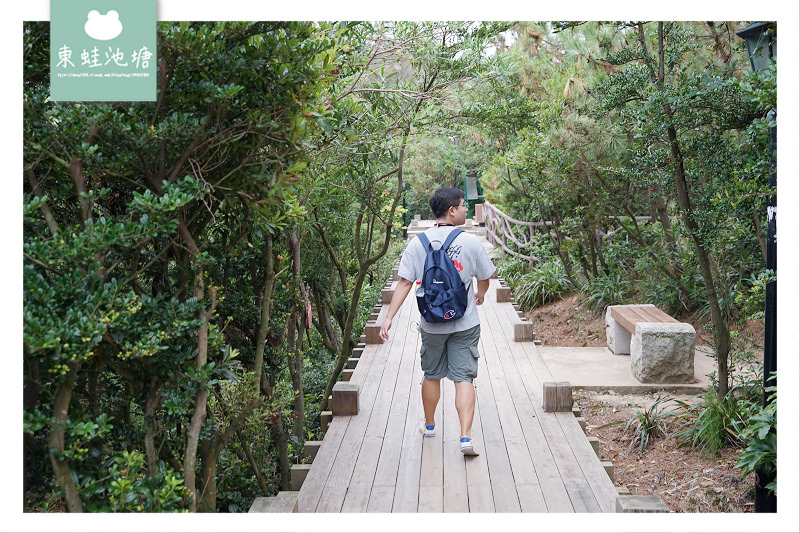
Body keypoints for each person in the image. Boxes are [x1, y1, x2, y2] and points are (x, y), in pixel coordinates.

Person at [379, 187, 495, 455]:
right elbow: (485, 277)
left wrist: (388, 318)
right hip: (465, 323)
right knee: (463, 377)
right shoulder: (470, 242)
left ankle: (430, 425)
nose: (466, 209)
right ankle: (465, 437)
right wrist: (480, 294)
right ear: (452, 210)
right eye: (463, 205)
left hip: (431, 323)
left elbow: (405, 282)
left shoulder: (418, 243)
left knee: (431, 374)